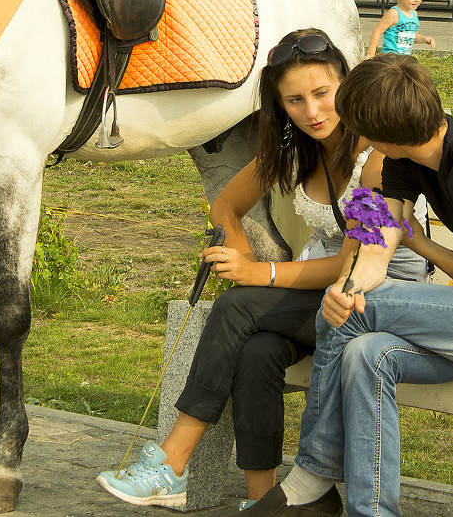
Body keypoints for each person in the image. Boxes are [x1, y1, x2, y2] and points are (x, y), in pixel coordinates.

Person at [96, 30, 428, 511]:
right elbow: (225, 208)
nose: (311, 111)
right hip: (325, 294)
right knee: (257, 350)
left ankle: (171, 461)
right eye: (294, 100)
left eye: (322, 94)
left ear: (347, 87)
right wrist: (243, 257)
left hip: (377, 296)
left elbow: (355, 264)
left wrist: (261, 273)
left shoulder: (371, 161)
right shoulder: (294, 151)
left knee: (237, 305)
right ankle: (268, 502)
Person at [247, 53, 453, 517]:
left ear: (382, 134)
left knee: (358, 310)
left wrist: (426, 249)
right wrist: (349, 283)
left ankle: (311, 478)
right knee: (367, 353)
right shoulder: (404, 159)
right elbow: (375, 245)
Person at [365, 0, 435, 58]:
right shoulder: (394, 13)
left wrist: (425, 39)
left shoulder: (414, 14)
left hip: (404, 60)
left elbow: (414, 36)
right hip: (390, 59)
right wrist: (370, 54)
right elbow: (377, 31)